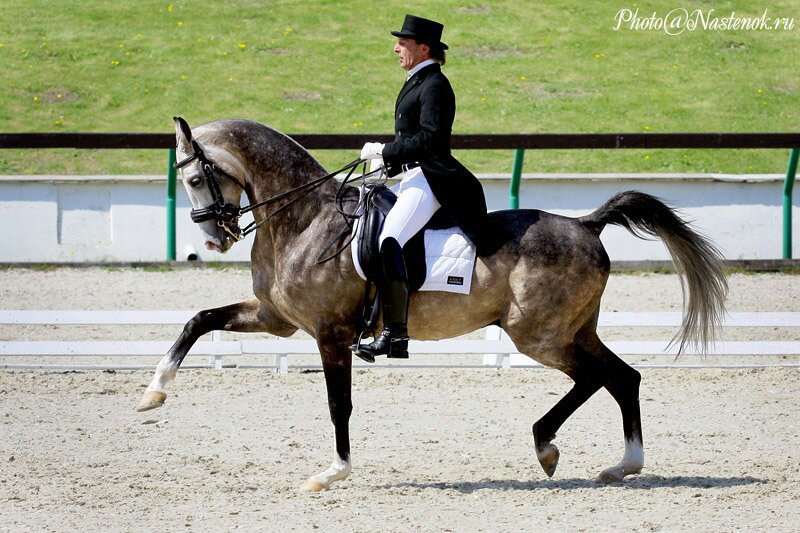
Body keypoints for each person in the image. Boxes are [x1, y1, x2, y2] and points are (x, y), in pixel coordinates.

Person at [354, 14, 506, 361]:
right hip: (412, 175)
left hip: (434, 178)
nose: (396, 48)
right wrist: (387, 163)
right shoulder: (416, 80)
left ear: (424, 48)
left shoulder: (435, 84)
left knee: (389, 238)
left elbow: (430, 139)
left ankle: (395, 334)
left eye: (403, 43)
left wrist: (384, 150)